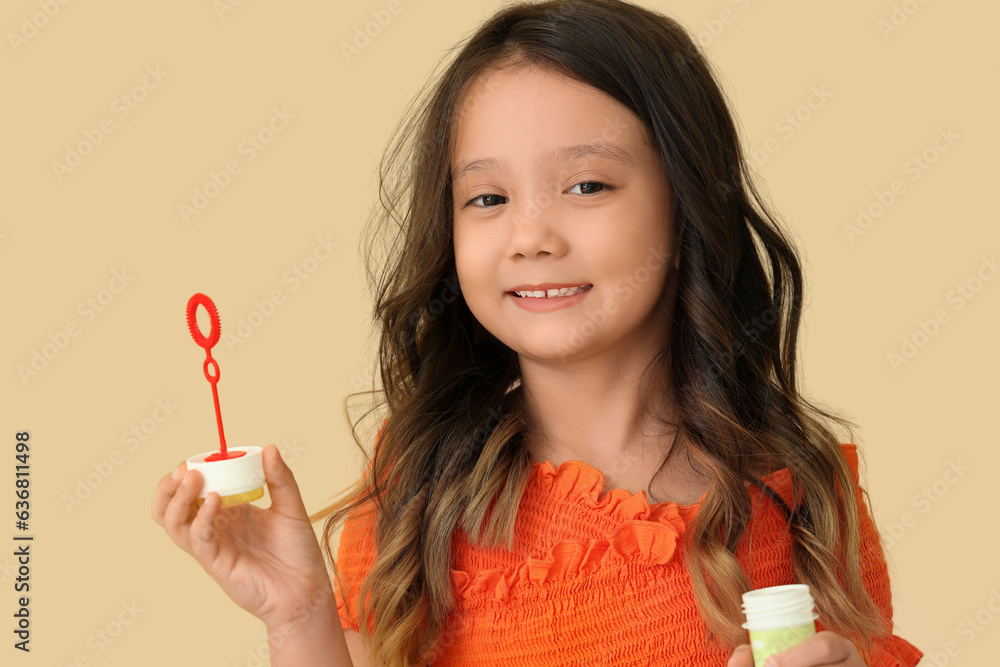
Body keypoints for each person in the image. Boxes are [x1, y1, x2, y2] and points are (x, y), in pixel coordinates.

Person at [152, 1, 925, 665]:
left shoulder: (799, 488)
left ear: (688, 200)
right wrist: (297, 616)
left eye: (586, 185)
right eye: (486, 198)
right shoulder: (419, 485)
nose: (528, 235)